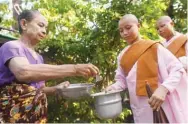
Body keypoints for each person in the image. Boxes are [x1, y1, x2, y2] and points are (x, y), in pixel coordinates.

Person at [0, 10, 99, 123]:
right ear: (24, 24)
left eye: (45, 28)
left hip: (34, 116)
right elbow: (23, 72)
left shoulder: (39, 58)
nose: (44, 31)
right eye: (40, 25)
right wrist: (75, 69)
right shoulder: (11, 46)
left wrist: (56, 89)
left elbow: (39, 90)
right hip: (11, 115)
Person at [105, 14, 188, 123]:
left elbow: (177, 69)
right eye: (121, 30)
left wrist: (163, 89)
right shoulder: (122, 55)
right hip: (140, 108)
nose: (124, 33)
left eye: (128, 28)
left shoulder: (154, 47)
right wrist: (113, 88)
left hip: (161, 103)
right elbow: (121, 81)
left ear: (138, 26)